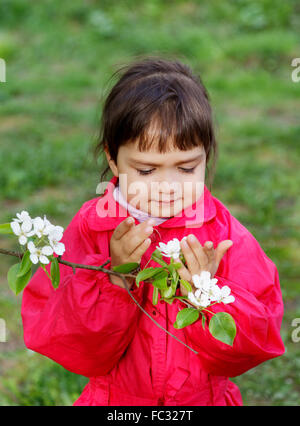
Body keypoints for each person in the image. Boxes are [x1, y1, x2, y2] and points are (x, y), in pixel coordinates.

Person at [21, 56, 285, 406]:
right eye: (146, 171)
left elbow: (253, 344)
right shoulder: (94, 229)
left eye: (187, 167)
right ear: (113, 159)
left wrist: (205, 294)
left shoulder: (221, 236)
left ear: (206, 157)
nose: (167, 186)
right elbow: (76, 347)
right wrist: (115, 280)